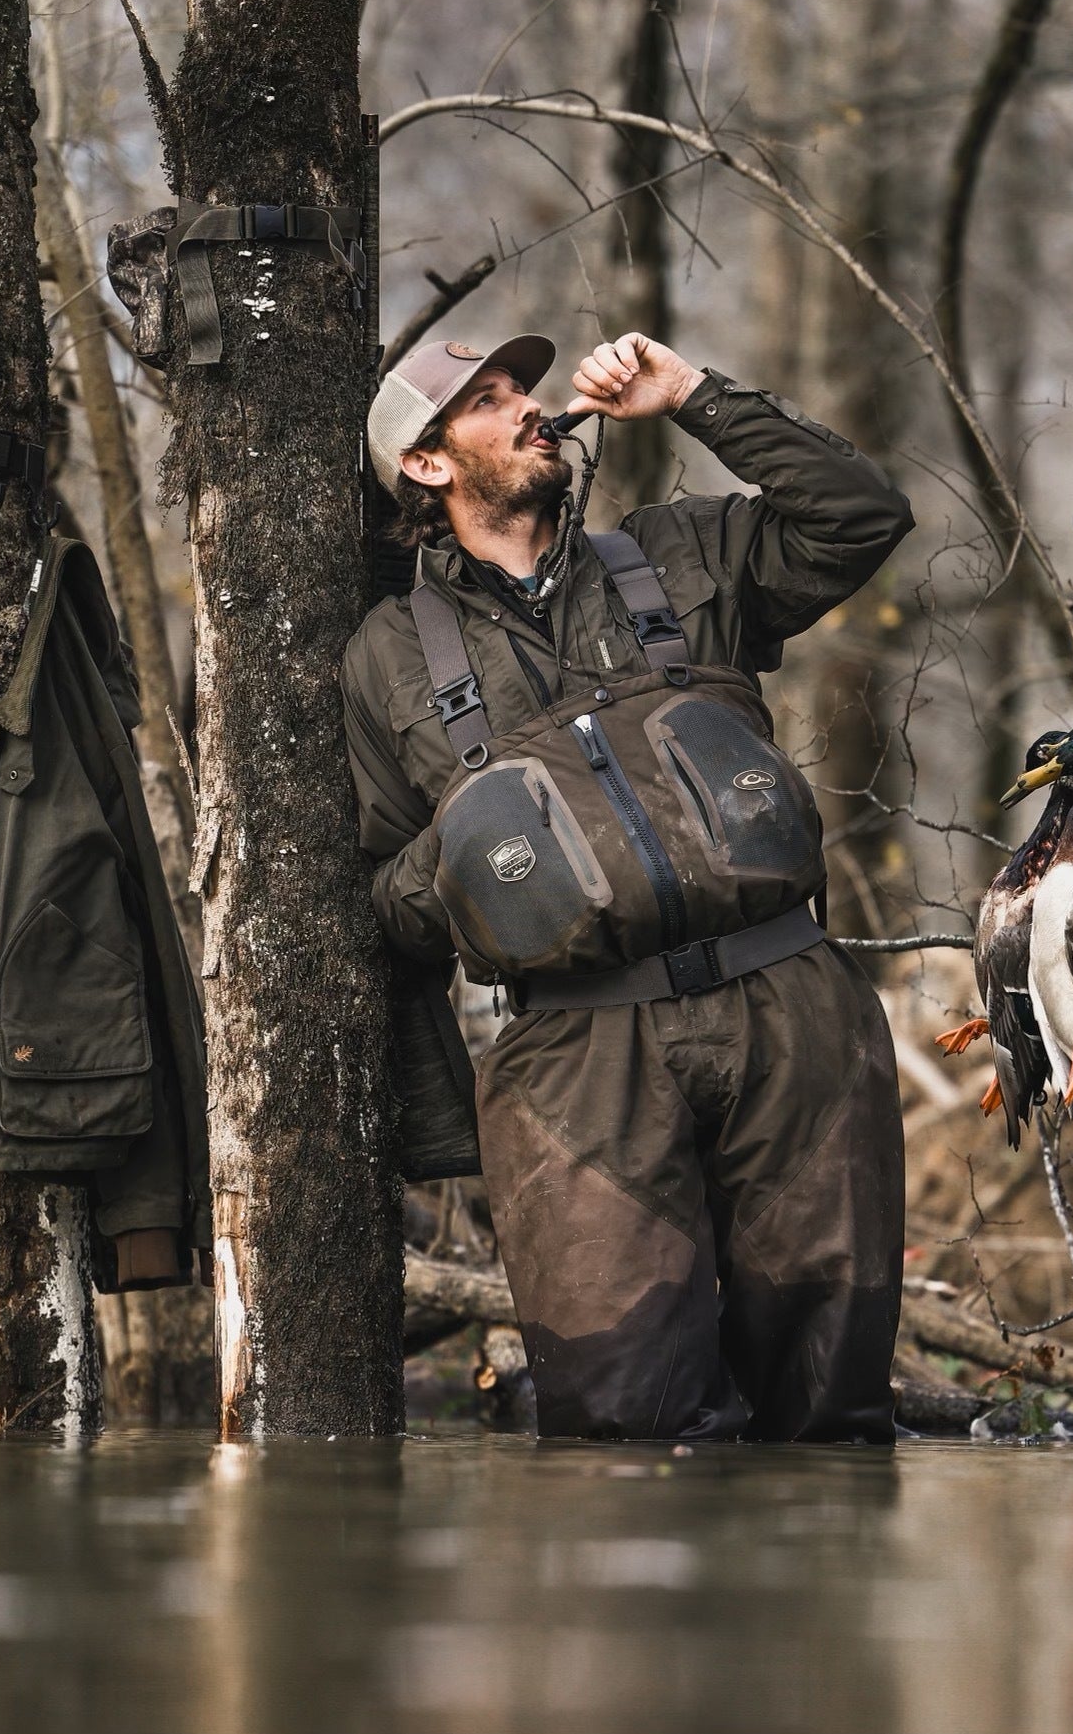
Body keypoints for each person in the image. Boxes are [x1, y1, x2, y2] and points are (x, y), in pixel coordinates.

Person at [346, 330, 914, 1442]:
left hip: (789, 1014)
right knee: (621, 1431)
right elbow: (385, 895)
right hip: (576, 1058)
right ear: (425, 464)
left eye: (523, 386)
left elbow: (860, 517)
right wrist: (493, 844)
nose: (530, 407)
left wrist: (694, 395)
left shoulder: (678, 555)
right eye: (489, 399)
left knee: (830, 1416)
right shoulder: (387, 656)